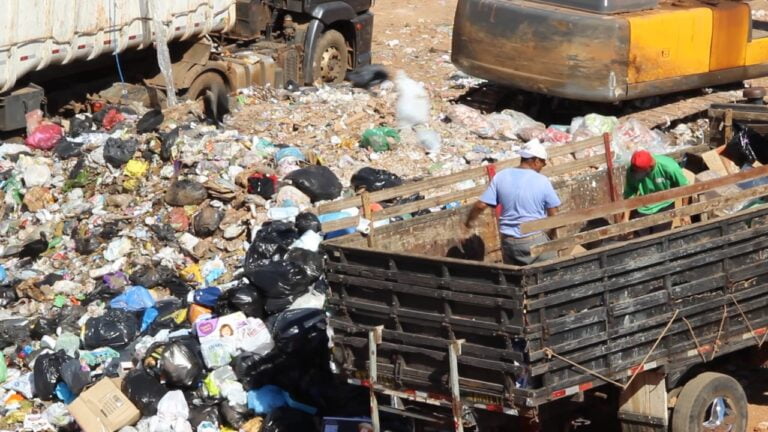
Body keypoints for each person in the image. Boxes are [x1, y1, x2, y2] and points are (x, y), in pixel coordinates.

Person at [465, 140, 561, 266]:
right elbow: (553, 214)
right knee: (552, 269)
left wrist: (468, 223)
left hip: (509, 242)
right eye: (543, 162)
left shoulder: (501, 176)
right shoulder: (542, 181)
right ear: (536, 160)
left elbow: (480, 205)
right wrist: (552, 235)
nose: (543, 166)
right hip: (533, 239)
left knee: (514, 279)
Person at [622, 149, 689, 235]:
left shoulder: (669, 167)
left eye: (640, 172)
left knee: (661, 237)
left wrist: (684, 213)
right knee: (642, 241)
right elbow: (629, 193)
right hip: (643, 207)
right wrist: (625, 218)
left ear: (650, 167)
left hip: (665, 204)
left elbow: (685, 188)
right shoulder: (632, 171)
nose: (637, 173)